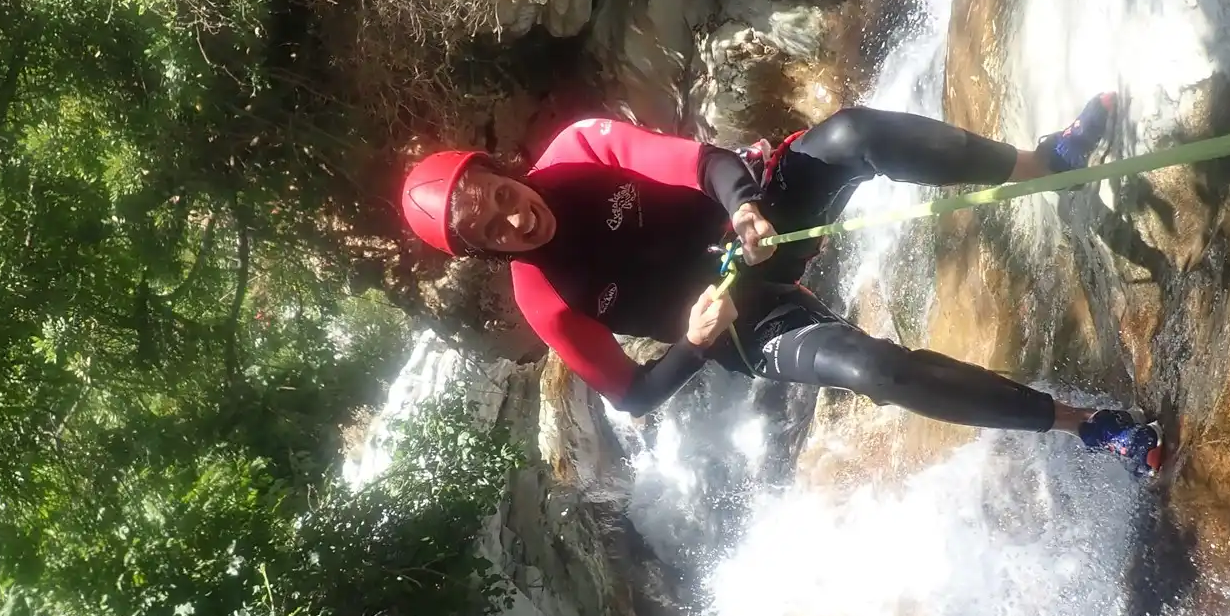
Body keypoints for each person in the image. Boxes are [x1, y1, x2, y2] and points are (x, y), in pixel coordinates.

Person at [399, 101, 1164, 474]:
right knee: (874, 372)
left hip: (756, 219)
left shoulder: (577, 153)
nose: (513, 217)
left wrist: (744, 206)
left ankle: (1042, 166)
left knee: (858, 135)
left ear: (499, 170)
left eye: (498, 194)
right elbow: (631, 394)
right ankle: (1087, 425)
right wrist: (697, 345)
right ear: (482, 253)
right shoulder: (546, 301)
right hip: (744, 324)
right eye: (488, 230)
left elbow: (699, 163)